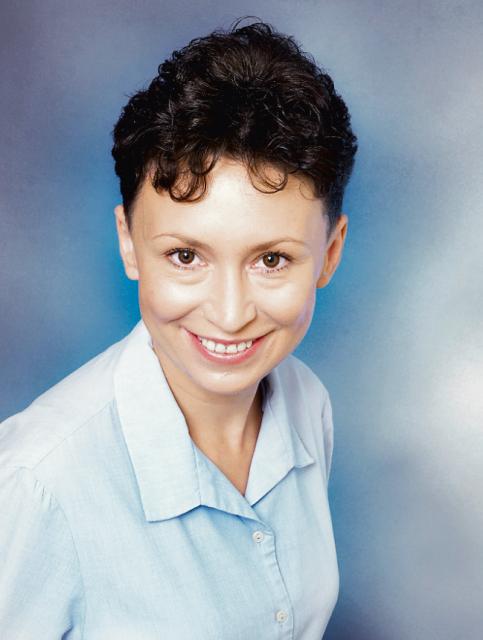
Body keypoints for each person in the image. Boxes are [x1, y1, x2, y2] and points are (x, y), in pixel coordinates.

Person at [0, 17, 357, 640]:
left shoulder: (309, 404)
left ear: (329, 255)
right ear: (128, 242)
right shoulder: (38, 486)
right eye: (186, 255)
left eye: (272, 260)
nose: (230, 313)